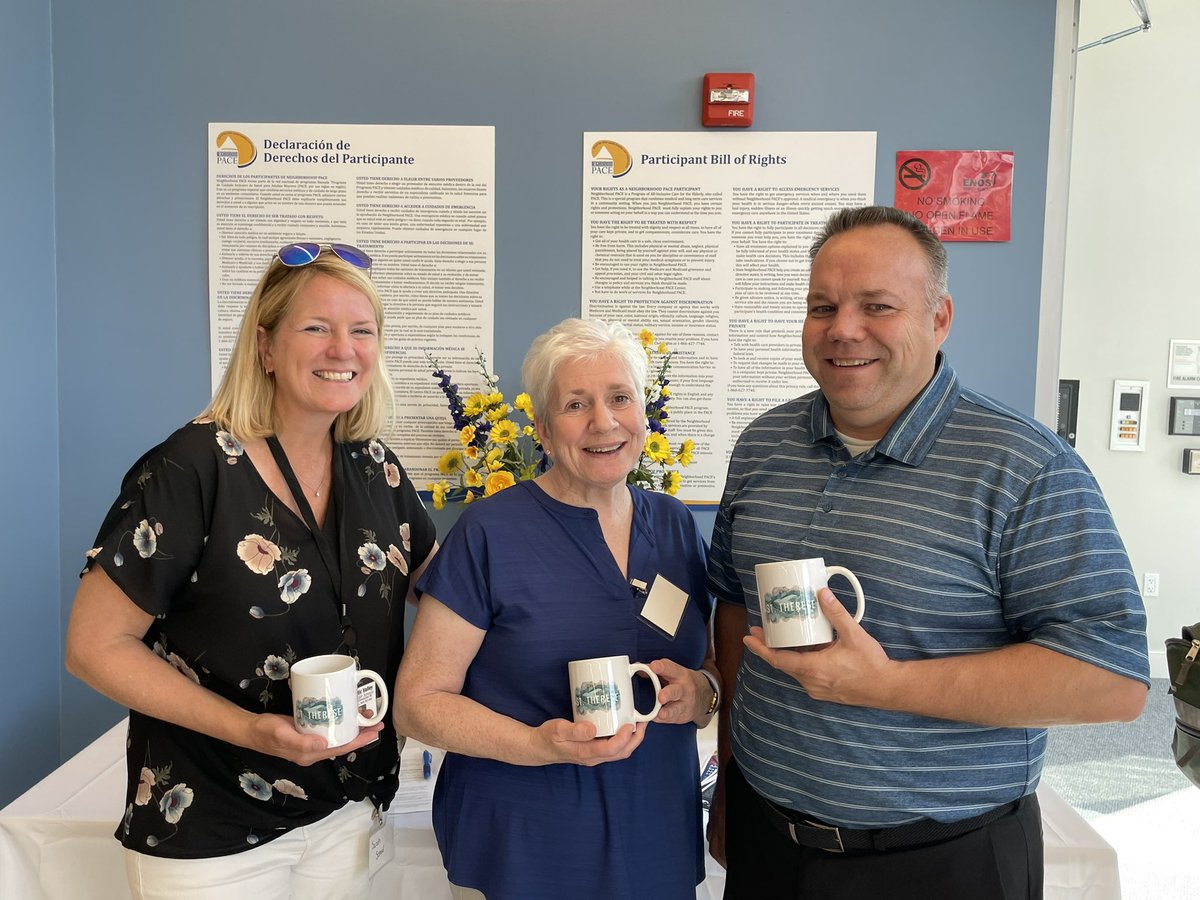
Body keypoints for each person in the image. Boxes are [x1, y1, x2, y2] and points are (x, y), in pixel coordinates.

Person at [705, 206, 1150, 899]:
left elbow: (1112, 682)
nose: (843, 328)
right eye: (822, 306)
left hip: (943, 862)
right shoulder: (763, 445)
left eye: (876, 306)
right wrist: (732, 775)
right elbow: (735, 611)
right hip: (770, 844)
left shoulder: (1026, 469)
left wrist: (887, 686)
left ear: (939, 318)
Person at [65, 241, 438, 899]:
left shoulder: (374, 465)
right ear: (265, 346)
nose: (341, 349)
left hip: (344, 810)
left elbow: (445, 592)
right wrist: (250, 729)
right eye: (315, 328)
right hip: (211, 825)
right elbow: (93, 649)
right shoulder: (191, 468)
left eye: (361, 330)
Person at [393, 318, 720, 900]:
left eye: (620, 398)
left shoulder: (673, 524)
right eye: (576, 404)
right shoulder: (490, 533)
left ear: (643, 415)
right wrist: (538, 745)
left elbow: (710, 669)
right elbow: (418, 705)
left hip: (655, 837)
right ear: (542, 430)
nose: (603, 421)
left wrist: (702, 694)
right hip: (522, 846)